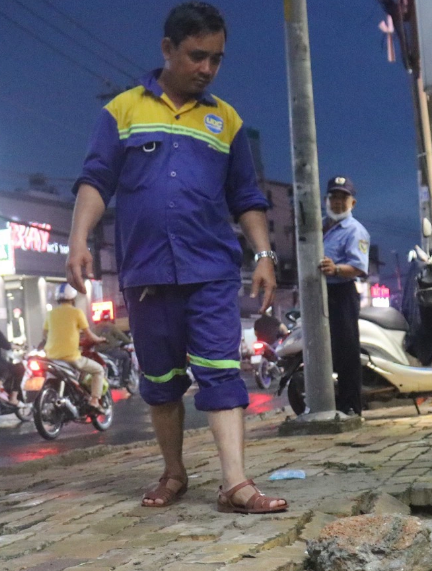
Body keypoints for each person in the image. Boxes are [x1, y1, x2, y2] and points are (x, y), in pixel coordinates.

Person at [67, 1, 286, 514]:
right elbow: (96, 180)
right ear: (167, 49)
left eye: (216, 59)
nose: (207, 68)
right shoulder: (122, 112)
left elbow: (247, 198)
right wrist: (78, 239)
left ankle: (235, 482)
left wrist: (264, 254)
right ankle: (174, 473)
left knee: (221, 371)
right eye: (196, 56)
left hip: (210, 269)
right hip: (146, 272)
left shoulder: (225, 120)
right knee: (161, 382)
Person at [319, 175, 371, 416]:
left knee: (346, 350)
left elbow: (359, 267)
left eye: (343, 198)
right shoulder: (319, 227)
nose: (338, 202)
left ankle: (351, 406)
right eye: (333, 197)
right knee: (322, 349)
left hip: (342, 293)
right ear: (326, 200)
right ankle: (328, 402)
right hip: (319, 293)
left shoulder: (355, 230)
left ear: (353, 203)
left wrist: (336, 269)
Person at [43, 283, 106, 408]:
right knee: (99, 370)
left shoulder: (51, 314)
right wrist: (99, 339)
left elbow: (45, 334)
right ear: (73, 298)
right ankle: (94, 400)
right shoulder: (77, 312)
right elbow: (89, 336)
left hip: (51, 357)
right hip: (71, 357)